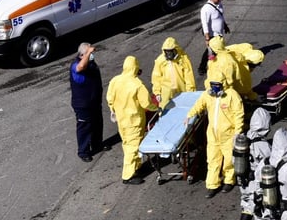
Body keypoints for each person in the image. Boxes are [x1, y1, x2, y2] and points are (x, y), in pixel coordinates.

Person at [186, 68, 244, 198]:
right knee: (212, 160)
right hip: (212, 135)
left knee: (229, 159)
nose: (215, 88)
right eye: (213, 85)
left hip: (228, 135)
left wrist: (238, 132)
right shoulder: (208, 95)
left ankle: (229, 180)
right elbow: (199, 105)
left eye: (217, 85)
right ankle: (212, 185)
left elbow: (238, 114)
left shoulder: (232, 95)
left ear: (223, 84)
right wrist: (190, 115)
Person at [106, 55, 159, 184]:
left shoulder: (115, 80)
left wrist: (114, 110)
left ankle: (136, 166)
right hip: (134, 121)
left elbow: (110, 98)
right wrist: (157, 108)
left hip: (121, 120)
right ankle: (128, 175)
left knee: (126, 144)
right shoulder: (137, 84)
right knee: (133, 147)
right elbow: (146, 103)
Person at [69, 42, 104, 163]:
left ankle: (97, 145)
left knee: (97, 124)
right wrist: (88, 53)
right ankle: (83, 151)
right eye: (89, 54)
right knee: (85, 127)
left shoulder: (90, 64)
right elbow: (80, 68)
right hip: (83, 105)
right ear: (82, 54)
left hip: (94, 101)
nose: (92, 56)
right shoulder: (76, 65)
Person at [238, 108, 272, 220]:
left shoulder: (245, 137)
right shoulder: (263, 145)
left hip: (244, 178)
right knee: (259, 209)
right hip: (256, 181)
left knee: (247, 205)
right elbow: (269, 164)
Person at [151, 37, 195, 108]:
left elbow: (189, 77)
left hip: (181, 89)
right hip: (166, 92)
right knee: (165, 109)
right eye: (167, 51)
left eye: (171, 51)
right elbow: (156, 77)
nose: (169, 54)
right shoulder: (160, 60)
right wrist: (157, 92)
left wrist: (190, 91)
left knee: (183, 108)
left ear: (175, 50)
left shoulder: (183, 59)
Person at [199, 0, 229, 75]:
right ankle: (202, 67)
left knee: (217, 50)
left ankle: (217, 65)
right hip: (212, 35)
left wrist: (225, 25)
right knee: (210, 51)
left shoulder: (219, 4)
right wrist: (207, 38)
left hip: (219, 34)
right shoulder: (206, 9)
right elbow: (205, 24)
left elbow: (221, 16)